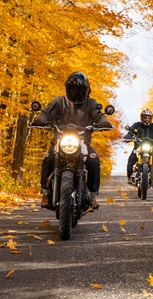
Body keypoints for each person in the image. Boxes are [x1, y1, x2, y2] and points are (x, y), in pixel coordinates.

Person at [31, 72, 113, 210]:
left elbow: (99, 116)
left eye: (80, 89)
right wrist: (41, 120)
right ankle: (45, 192)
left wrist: (104, 122)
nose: (77, 92)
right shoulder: (58, 101)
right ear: (68, 89)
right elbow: (46, 113)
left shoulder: (91, 103)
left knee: (93, 161)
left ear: (87, 90)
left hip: (82, 143)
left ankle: (92, 195)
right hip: (60, 141)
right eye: (73, 89)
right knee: (49, 158)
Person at [123, 109, 153, 180]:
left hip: (151, 148)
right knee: (131, 160)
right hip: (138, 147)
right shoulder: (137, 125)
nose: (147, 119)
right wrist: (128, 137)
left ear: (151, 118)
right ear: (141, 117)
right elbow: (131, 132)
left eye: (148, 117)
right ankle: (129, 178)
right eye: (145, 117)